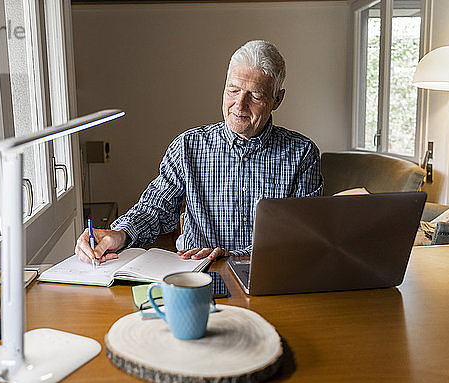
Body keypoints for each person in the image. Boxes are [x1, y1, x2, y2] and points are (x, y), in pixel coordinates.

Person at [76, 40, 323, 264]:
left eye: (255, 95)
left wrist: (235, 255)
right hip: (196, 273)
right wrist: (120, 234)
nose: (239, 105)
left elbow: (301, 235)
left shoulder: (302, 154)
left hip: (268, 273)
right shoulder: (187, 146)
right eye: (233, 90)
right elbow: (155, 208)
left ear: (276, 100)